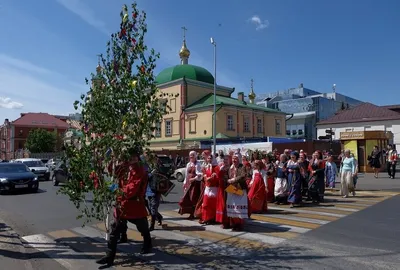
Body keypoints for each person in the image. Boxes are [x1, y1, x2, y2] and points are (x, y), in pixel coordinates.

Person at [97, 149, 151, 267]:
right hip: (122, 205)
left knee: (143, 228)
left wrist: (116, 190)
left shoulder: (140, 170)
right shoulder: (124, 166)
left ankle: (147, 243)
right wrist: (111, 160)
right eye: (129, 156)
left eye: (133, 156)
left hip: (134, 205)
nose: (131, 159)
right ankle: (109, 257)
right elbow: (113, 172)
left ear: (137, 157)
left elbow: (132, 189)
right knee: (114, 230)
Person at [225, 155, 248, 231]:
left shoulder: (242, 167)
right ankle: (234, 223)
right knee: (232, 206)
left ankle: (239, 224)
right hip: (231, 189)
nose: (234, 160)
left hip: (240, 188)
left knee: (239, 207)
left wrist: (234, 179)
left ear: (239, 159)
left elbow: (243, 175)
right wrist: (227, 180)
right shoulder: (229, 167)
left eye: (236, 158)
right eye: (233, 158)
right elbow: (226, 176)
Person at [178, 151, 203, 219]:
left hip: (195, 184)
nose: (191, 157)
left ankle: (193, 213)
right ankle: (190, 212)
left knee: (193, 198)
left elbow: (200, 175)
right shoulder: (188, 164)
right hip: (188, 183)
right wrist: (184, 183)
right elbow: (186, 174)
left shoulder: (197, 164)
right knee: (187, 198)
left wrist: (194, 179)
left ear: (195, 156)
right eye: (190, 155)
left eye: (192, 155)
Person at [200, 155, 220, 225]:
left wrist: (211, 178)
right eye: (208, 158)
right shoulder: (206, 167)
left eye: (210, 158)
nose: (209, 159)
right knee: (206, 204)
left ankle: (212, 218)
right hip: (208, 188)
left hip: (214, 188)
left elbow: (218, 178)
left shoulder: (216, 167)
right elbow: (204, 175)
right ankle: (205, 218)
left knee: (213, 205)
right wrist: (205, 177)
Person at [215, 155, 230, 228]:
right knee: (222, 205)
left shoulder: (231, 167)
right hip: (222, 188)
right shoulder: (220, 167)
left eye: (227, 159)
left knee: (229, 204)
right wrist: (221, 170)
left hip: (230, 188)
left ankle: (230, 221)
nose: (225, 161)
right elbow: (218, 177)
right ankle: (224, 221)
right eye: (224, 160)